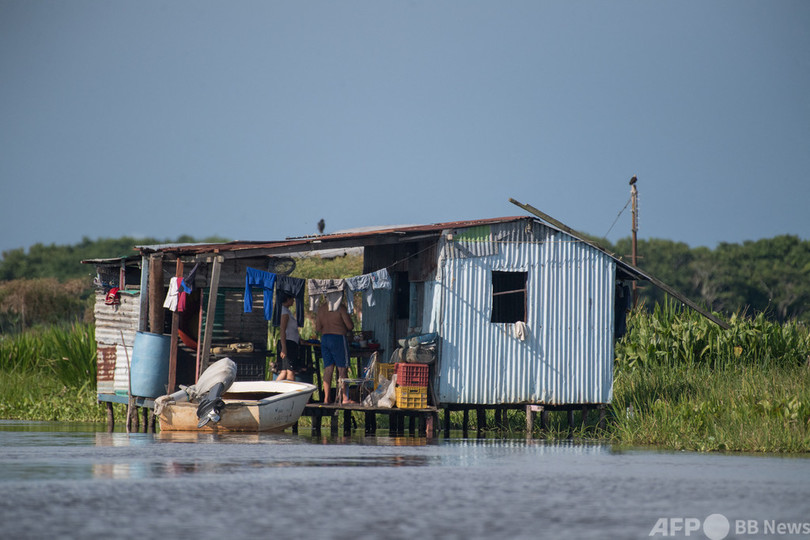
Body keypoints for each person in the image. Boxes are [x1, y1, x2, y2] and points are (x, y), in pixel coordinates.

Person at [315, 298, 354, 404]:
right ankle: (345, 398)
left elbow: (318, 328)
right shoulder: (340, 308)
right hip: (338, 338)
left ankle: (326, 398)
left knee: (328, 369)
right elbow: (350, 326)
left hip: (325, 339)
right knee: (342, 369)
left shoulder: (321, 309)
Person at [275, 293, 300, 381]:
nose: (293, 301)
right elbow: (283, 330)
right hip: (288, 343)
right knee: (290, 371)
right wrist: (284, 347)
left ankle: (273, 390)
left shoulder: (286, 311)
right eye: (292, 299)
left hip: (290, 342)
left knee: (284, 371)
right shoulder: (285, 313)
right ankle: (291, 393)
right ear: (287, 299)